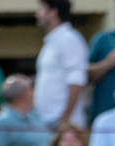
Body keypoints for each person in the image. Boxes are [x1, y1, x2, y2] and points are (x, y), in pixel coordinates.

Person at [34, 0, 89, 128]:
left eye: (42, 9)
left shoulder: (69, 39)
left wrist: (64, 119)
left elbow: (76, 81)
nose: (37, 14)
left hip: (62, 124)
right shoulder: (52, 42)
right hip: (48, 121)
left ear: (53, 13)